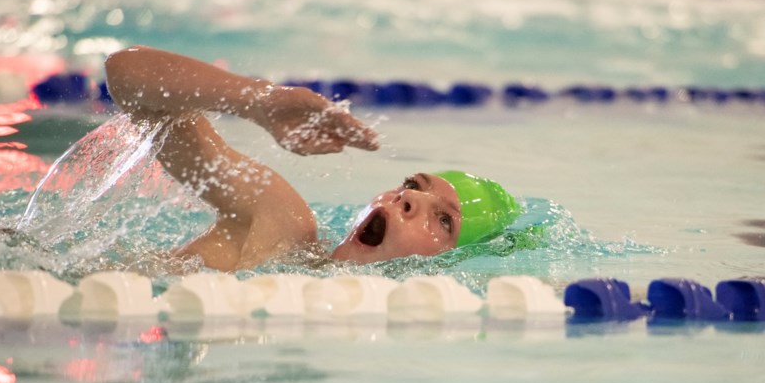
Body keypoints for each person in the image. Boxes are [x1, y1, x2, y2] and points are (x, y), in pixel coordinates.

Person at [104, 45, 520, 271]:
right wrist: (257, 100)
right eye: (412, 185)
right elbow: (125, 73)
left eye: (443, 220)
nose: (407, 200)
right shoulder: (278, 226)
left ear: (452, 265)